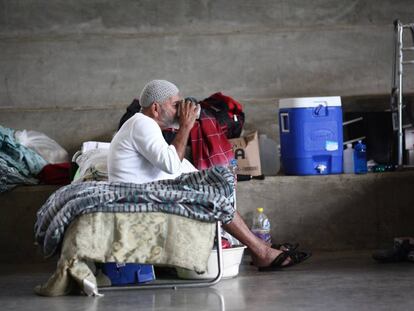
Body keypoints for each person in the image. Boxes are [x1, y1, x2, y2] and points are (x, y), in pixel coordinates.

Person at [108, 79, 310, 270]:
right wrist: (186, 125)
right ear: (155, 108)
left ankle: (261, 248)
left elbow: (174, 165)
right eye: (176, 105)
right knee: (213, 198)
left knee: (214, 188)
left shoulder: (143, 125)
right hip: (141, 198)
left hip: (146, 193)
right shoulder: (142, 124)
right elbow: (171, 164)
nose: (181, 110)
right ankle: (262, 251)